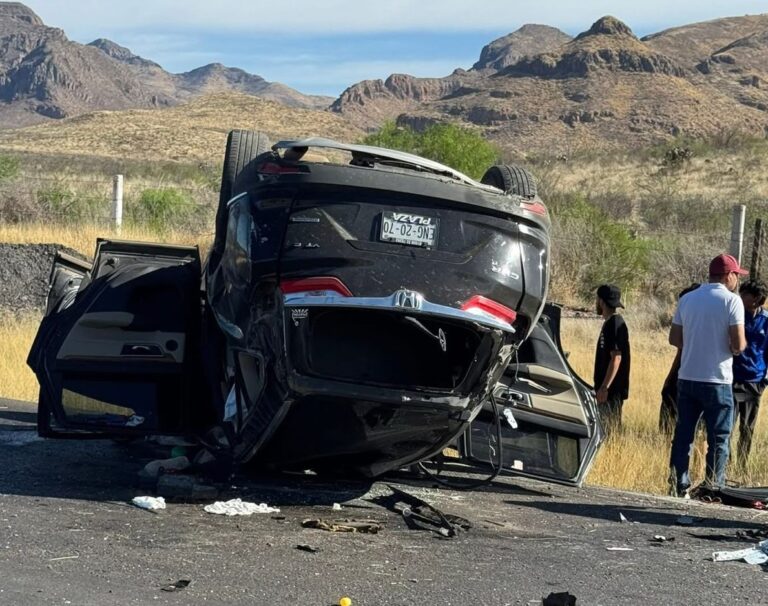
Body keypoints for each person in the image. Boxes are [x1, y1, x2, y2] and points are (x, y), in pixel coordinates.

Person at [668, 254, 747, 497]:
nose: (737, 280)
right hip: (717, 379)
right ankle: (713, 488)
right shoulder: (732, 302)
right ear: (728, 276)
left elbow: (674, 339)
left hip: (688, 376)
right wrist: (736, 347)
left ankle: (678, 484)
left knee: (684, 434)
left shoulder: (688, 299)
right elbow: (738, 343)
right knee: (719, 438)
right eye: (736, 275)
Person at [732, 279, 768, 468]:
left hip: (755, 380)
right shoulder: (736, 316)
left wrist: (764, 381)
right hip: (733, 378)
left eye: (745, 294)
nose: (741, 296)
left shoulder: (766, 321)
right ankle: (723, 466)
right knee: (726, 427)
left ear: (756, 299)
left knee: (748, 428)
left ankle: (742, 466)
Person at [659, 283, 701, 435]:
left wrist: (670, 378)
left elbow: (678, 344)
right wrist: (669, 377)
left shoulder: (695, 320)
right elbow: (679, 350)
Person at [593, 284, 631, 434]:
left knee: (609, 432)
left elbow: (616, 358)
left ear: (601, 301)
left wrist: (604, 387)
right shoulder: (609, 323)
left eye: (597, 299)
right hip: (606, 390)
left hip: (611, 391)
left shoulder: (616, 323)